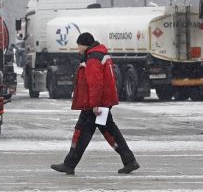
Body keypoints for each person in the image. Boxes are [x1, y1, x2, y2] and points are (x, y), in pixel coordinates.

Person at [50, 32, 139, 175]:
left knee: (83, 132)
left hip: (95, 104)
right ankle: (129, 160)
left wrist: (95, 104)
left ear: (84, 45)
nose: (78, 49)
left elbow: (95, 83)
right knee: (108, 131)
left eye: (78, 46)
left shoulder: (93, 58)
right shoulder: (99, 54)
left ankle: (69, 164)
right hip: (101, 102)